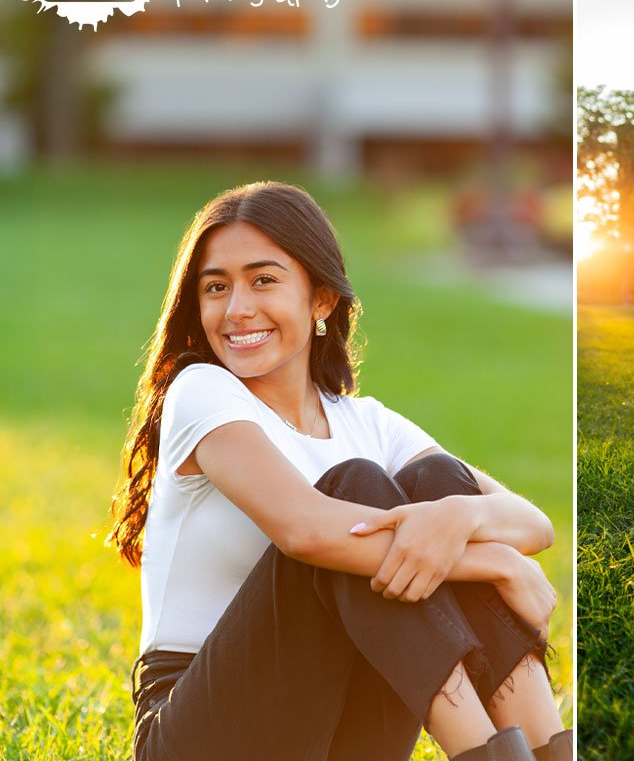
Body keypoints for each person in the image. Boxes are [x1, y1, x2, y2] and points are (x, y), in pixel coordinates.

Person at [108, 182, 572, 761]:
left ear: (321, 299)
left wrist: (461, 515)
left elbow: (532, 524)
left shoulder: (366, 421)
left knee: (438, 487)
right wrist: (494, 561)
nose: (237, 309)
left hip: (343, 724)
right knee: (358, 493)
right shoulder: (202, 391)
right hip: (200, 731)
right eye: (216, 287)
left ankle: (552, 750)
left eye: (264, 280)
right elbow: (307, 531)